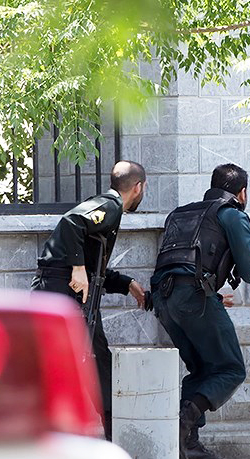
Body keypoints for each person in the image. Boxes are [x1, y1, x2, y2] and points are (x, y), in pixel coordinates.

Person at [150, 163, 250, 459]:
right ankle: (183, 423)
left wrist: (209, 294)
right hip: (194, 298)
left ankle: (188, 445)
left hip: (163, 299)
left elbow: (185, 262)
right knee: (231, 369)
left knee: (201, 370)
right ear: (242, 193)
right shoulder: (232, 214)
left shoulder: (181, 213)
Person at [31, 160, 148, 440]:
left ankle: (111, 439)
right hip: (62, 291)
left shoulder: (110, 208)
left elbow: (93, 266)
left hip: (72, 294)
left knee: (99, 363)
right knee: (62, 366)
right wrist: (78, 268)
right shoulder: (110, 205)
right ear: (138, 187)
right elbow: (72, 222)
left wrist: (126, 284)